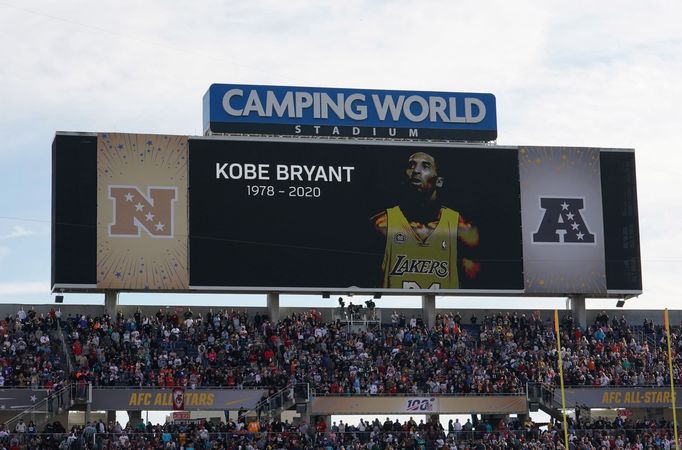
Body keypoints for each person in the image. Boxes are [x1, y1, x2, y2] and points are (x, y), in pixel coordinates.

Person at [371, 151, 479, 289]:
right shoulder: (381, 224)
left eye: (425, 166)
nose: (416, 171)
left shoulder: (461, 227)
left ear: (439, 181)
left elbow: (474, 286)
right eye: (411, 165)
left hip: (441, 308)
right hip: (399, 306)